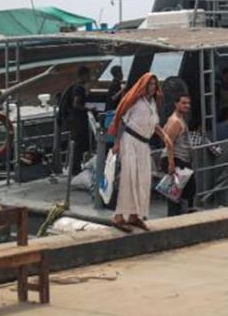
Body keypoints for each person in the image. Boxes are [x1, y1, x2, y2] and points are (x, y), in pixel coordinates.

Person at [109, 73, 176, 233]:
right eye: (150, 84)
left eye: (154, 84)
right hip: (130, 141)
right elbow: (121, 121)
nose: (152, 87)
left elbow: (154, 124)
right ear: (144, 85)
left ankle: (134, 215)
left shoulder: (152, 103)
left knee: (143, 179)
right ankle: (118, 216)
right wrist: (117, 143)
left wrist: (165, 136)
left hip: (144, 144)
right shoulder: (134, 101)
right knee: (129, 178)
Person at [163, 94, 210, 215]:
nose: (187, 106)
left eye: (188, 103)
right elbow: (169, 143)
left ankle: (182, 212)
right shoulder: (175, 121)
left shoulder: (180, 119)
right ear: (176, 104)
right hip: (176, 158)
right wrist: (171, 163)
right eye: (183, 103)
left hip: (182, 158)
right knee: (177, 192)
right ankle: (175, 216)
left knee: (185, 190)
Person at [60, 66, 93, 175]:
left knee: (77, 144)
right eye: (88, 75)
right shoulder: (79, 89)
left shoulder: (76, 87)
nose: (90, 77)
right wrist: (88, 108)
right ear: (83, 75)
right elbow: (76, 104)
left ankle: (75, 166)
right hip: (77, 121)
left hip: (74, 120)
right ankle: (75, 168)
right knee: (78, 144)